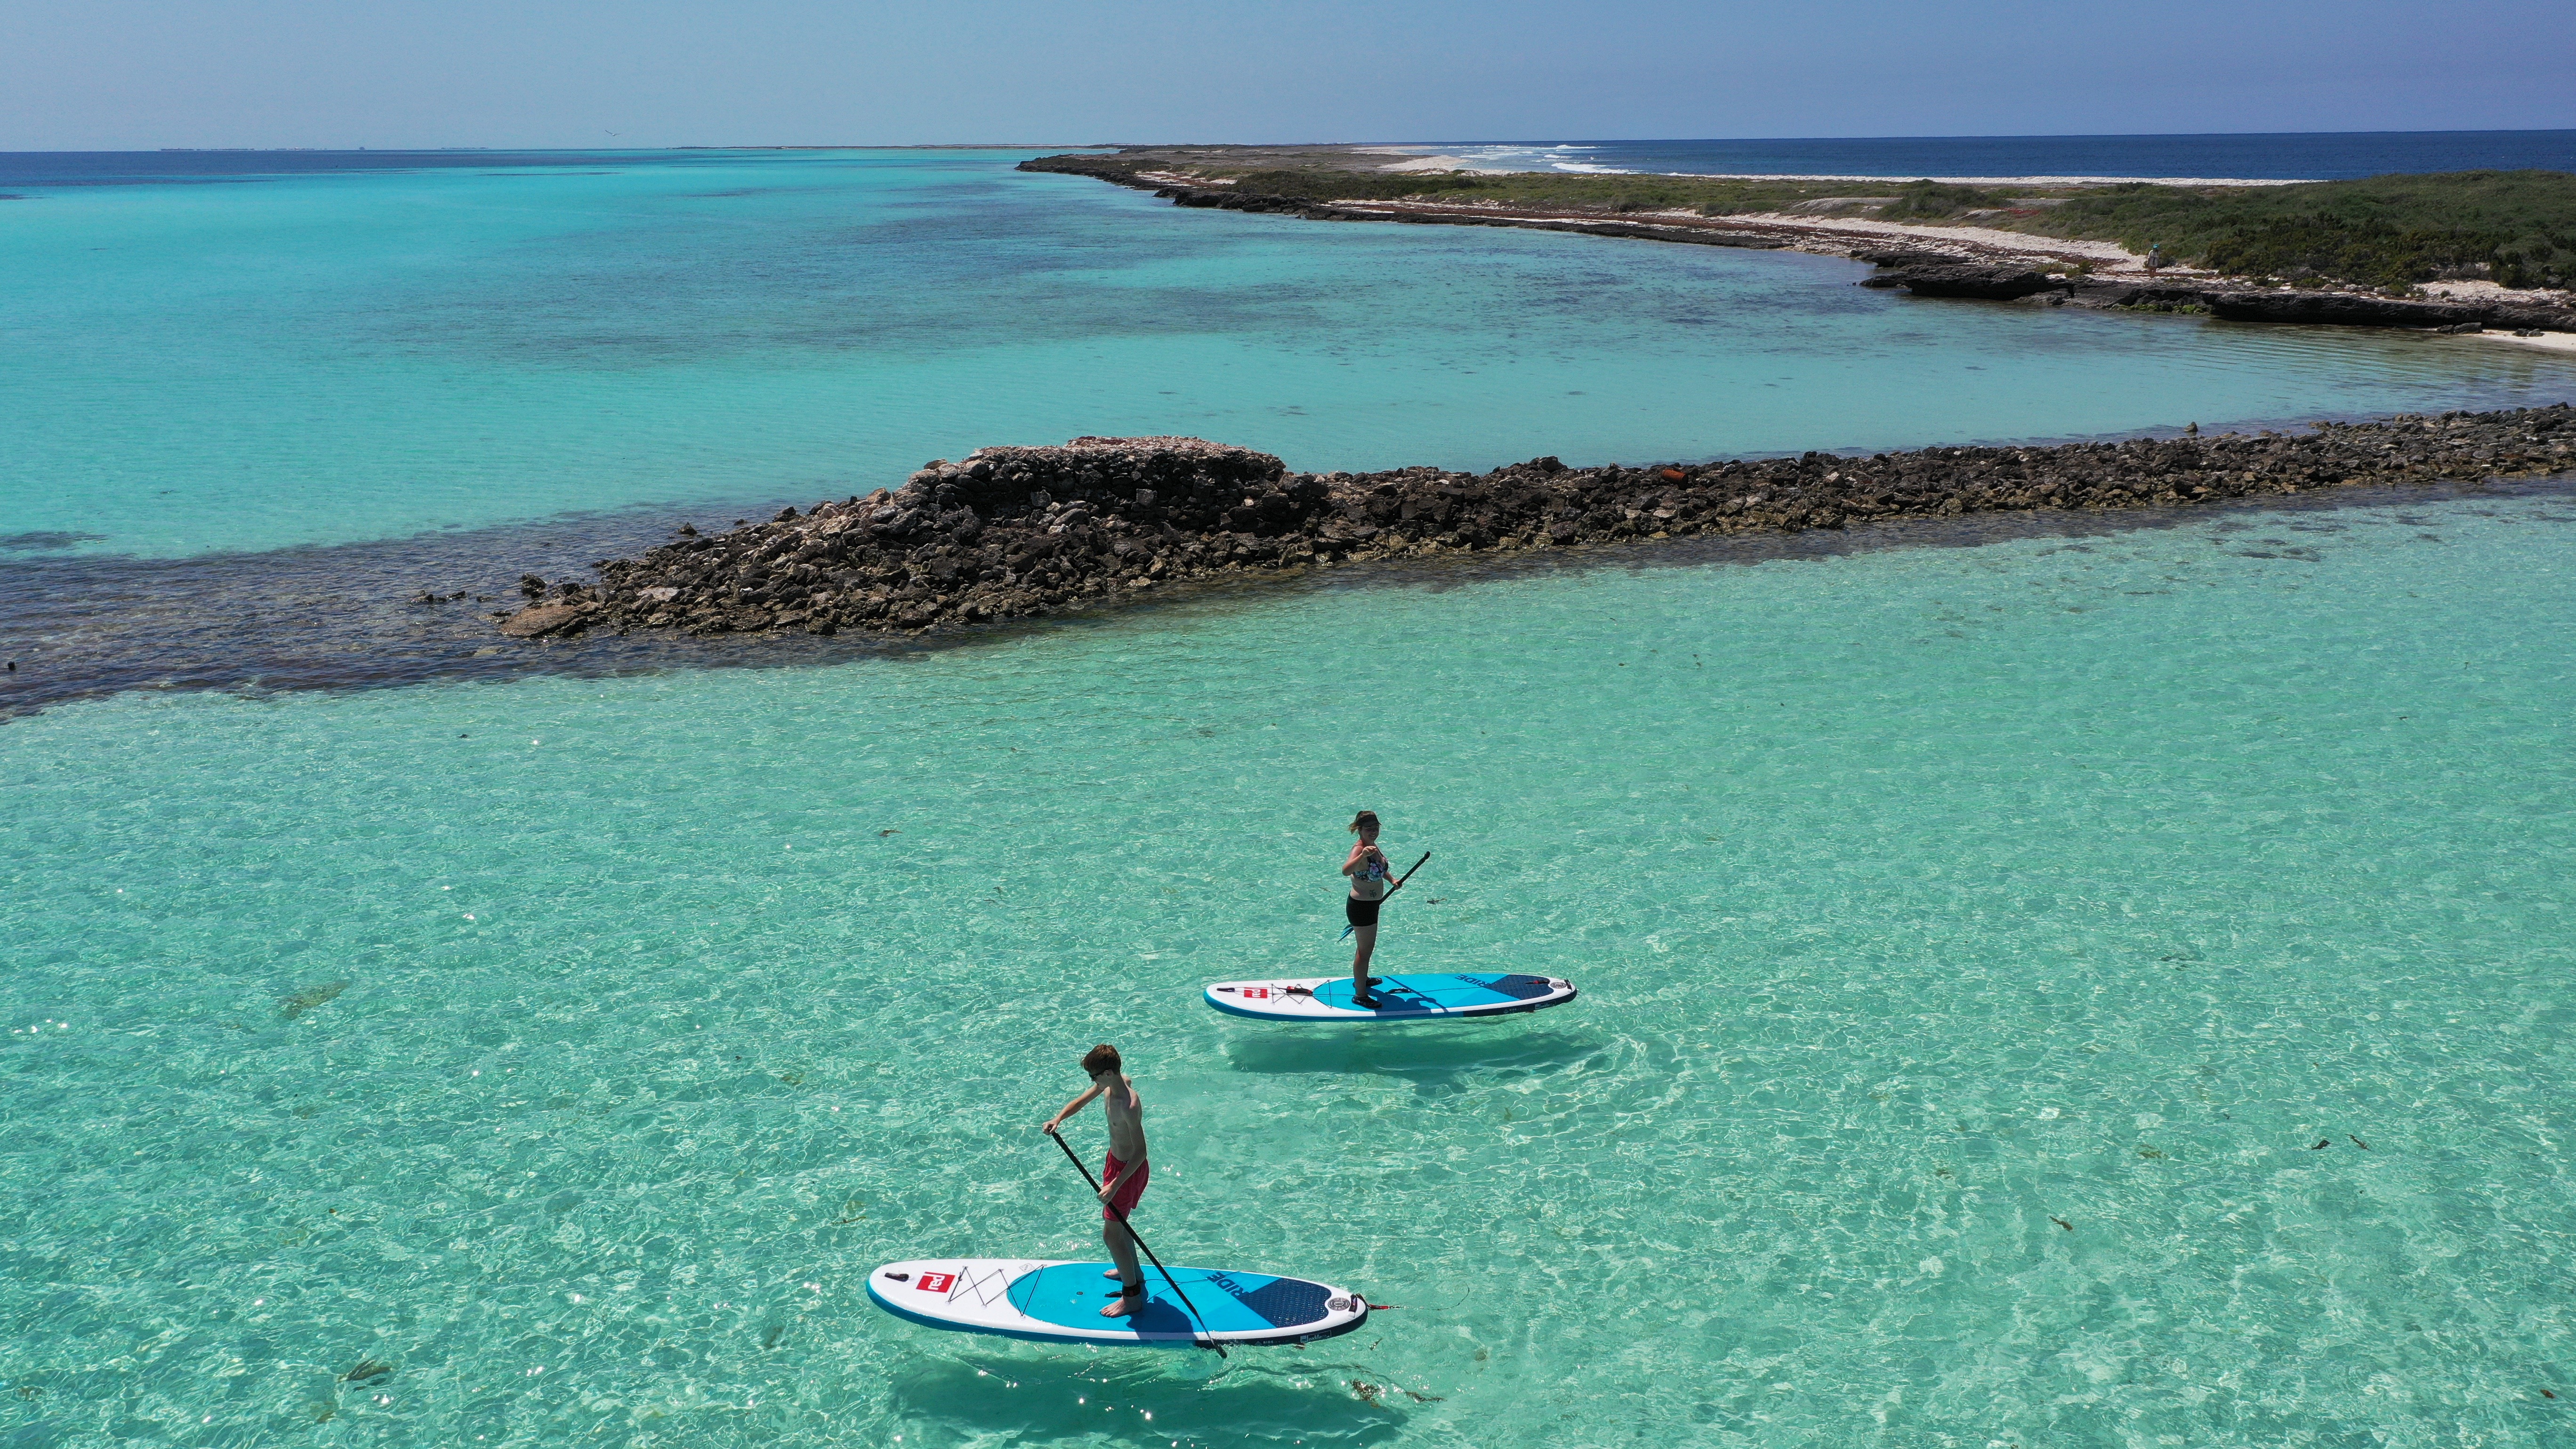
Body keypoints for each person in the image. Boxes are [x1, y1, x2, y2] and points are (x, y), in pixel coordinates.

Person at [1038, 1043, 1151, 1317]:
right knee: (1120, 1227)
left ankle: (1132, 1296)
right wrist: (1059, 1118)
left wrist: (1115, 1185)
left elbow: (1140, 1153)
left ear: (1109, 1073)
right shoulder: (1112, 1085)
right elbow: (1082, 1100)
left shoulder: (1129, 1106)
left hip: (1128, 1171)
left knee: (1111, 1235)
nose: (1093, 1083)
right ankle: (1134, 1274)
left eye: (1095, 1077)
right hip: (1115, 1164)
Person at [1342, 810, 1394, 1006]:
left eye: (1376, 827)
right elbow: (1346, 871)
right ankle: (1361, 995)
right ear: (1359, 830)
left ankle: (1362, 979)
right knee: (1365, 952)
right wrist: (1362, 855)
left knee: (1366, 949)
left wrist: (1392, 880)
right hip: (1361, 908)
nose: (1373, 831)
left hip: (1372, 906)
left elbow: (1380, 868)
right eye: (1369, 828)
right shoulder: (1360, 849)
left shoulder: (1373, 846)